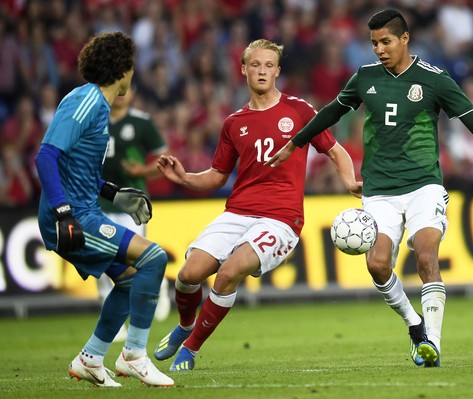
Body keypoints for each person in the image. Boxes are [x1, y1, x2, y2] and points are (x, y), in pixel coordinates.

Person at [265, 9, 473, 368]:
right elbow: (331, 113)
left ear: (404, 39)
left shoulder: (435, 80)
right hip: (379, 189)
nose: (379, 49)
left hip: (423, 186)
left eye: (386, 41)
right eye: (373, 43)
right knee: (377, 264)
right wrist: (295, 143)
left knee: (427, 255)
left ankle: (433, 342)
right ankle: (414, 325)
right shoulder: (364, 78)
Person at [154, 38, 361, 372]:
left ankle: (191, 349)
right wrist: (184, 178)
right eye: (255, 65)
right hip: (237, 212)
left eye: (268, 65)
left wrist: (350, 181)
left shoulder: (300, 111)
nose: (262, 71)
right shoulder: (234, 122)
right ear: (243, 69)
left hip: (281, 219)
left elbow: (335, 151)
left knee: (230, 271)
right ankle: (185, 326)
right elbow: (218, 175)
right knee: (187, 275)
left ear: (278, 71)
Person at [34, 31, 173, 387]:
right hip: (71, 216)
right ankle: (135, 356)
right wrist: (64, 213)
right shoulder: (87, 100)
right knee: (153, 259)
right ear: (123, 69)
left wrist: (114, 193)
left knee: (127, 280)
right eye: (132, 66)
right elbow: (47, 156)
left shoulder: (97, 105)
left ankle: (91, 358)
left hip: (85, 209)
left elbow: (78, 170)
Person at [97, 85, 172, 343]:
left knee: (134, 259)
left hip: (132, 203)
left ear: (133, 94)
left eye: (126, 90)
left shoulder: (141, 122)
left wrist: (143, 171)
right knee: (104, 260)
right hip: (100, 202)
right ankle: (115, 324)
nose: (121, 94)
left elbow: (164, 157)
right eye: (117, 90)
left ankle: (159, 284)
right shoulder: (96, 119)